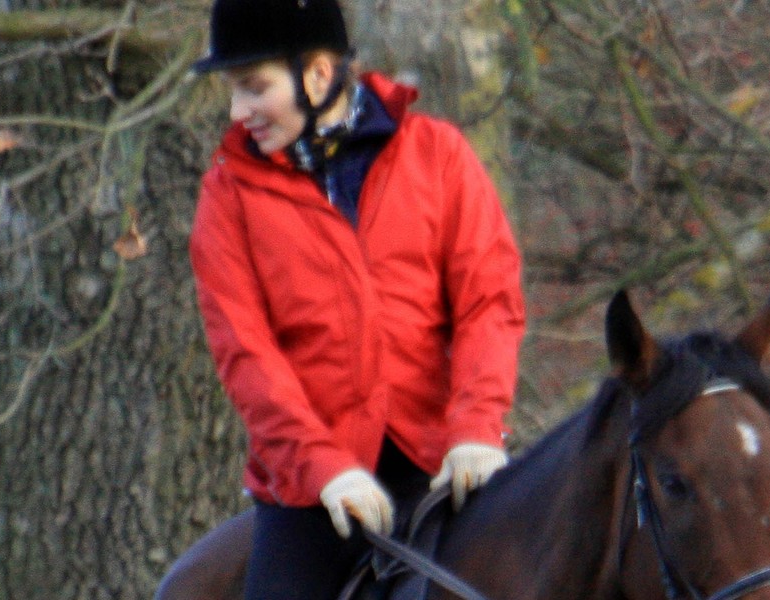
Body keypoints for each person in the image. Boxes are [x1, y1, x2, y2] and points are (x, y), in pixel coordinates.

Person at [157, 0, 526, 598]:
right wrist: (322, 467)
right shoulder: (226, 198)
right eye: (234, 92)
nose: (237, 111)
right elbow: (246, 355)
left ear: (319, 76)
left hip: (444, 459)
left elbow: (489, 299)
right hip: (311, 488)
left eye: (253, 88)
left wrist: (478, 426)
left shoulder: (439, 155)